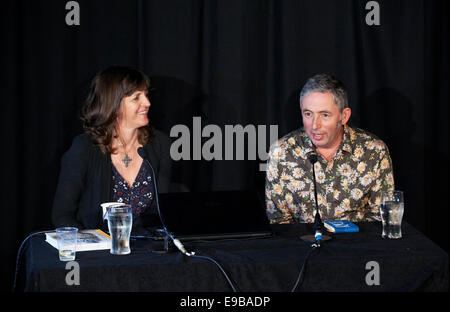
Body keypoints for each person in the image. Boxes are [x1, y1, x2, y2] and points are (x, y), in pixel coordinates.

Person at [52, 66, 172, 234]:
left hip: (145, 250)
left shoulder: (160, 144)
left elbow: (163, 213)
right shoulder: (84, 148)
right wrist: (89, 244)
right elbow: (62, 215)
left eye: (146, 95)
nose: (147, 103)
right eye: (136, 97)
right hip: (96, 252)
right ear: (114, 105)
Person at [266, 74, 394, 224]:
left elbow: (382, 217)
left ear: (344, 116)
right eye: (308, 114)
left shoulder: (373, 151)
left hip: (358, 244)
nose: (315, 125)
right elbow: (278, 221)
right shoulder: (281, 152)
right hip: (302, 244)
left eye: (324, 115)